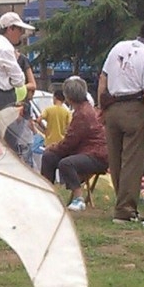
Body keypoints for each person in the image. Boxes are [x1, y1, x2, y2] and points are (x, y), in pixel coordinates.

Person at [98, 16, 144, 223]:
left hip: (112, 107)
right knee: (132, 161)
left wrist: (101, 108)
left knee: (115, 159)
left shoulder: (118, 47)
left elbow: (103, 79)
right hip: (134, 109)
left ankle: (121, 202)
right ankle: (125, 210)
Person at [41, 76, 108, 211]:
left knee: (66, 163)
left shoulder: (82, 114)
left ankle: (78, 199)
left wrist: (53, 147)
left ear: (68, 96)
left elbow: (69, 143)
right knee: (49, 157)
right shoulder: (84, 109)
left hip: (96, 155)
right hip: (86, 151)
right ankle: (46, 193)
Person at [0, 12, 35, 111]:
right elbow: (19, 80)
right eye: (20, 29)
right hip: (2, 99)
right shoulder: (5, 48)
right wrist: (10, 81)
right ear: (10, 29)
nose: (21, 33)